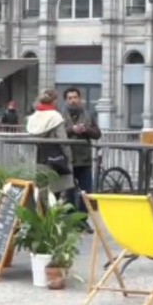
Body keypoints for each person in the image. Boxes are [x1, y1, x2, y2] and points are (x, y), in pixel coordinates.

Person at [25, 90, 74, 199]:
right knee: (54, 192)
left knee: (40, 190)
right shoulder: (55, 117)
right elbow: (63, 140)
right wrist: (69, 158)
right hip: (55, 159)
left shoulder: (33, 117)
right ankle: (52, 215)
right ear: (54, 101)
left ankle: (40, 213)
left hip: (37, 158)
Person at [63, 87, 102, 217]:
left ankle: (82, 220)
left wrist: (86, 130)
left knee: (86, 192)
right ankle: (70, 219)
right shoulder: (60, 116)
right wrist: (72, 129)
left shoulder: (88, 114)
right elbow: (58, 134)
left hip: (84, 159)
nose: (73, 100)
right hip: (67, 159)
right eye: (70, 98)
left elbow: (97, 134)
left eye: (75, 97)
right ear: (65, 100)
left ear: (80, 99)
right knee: (69, 192)